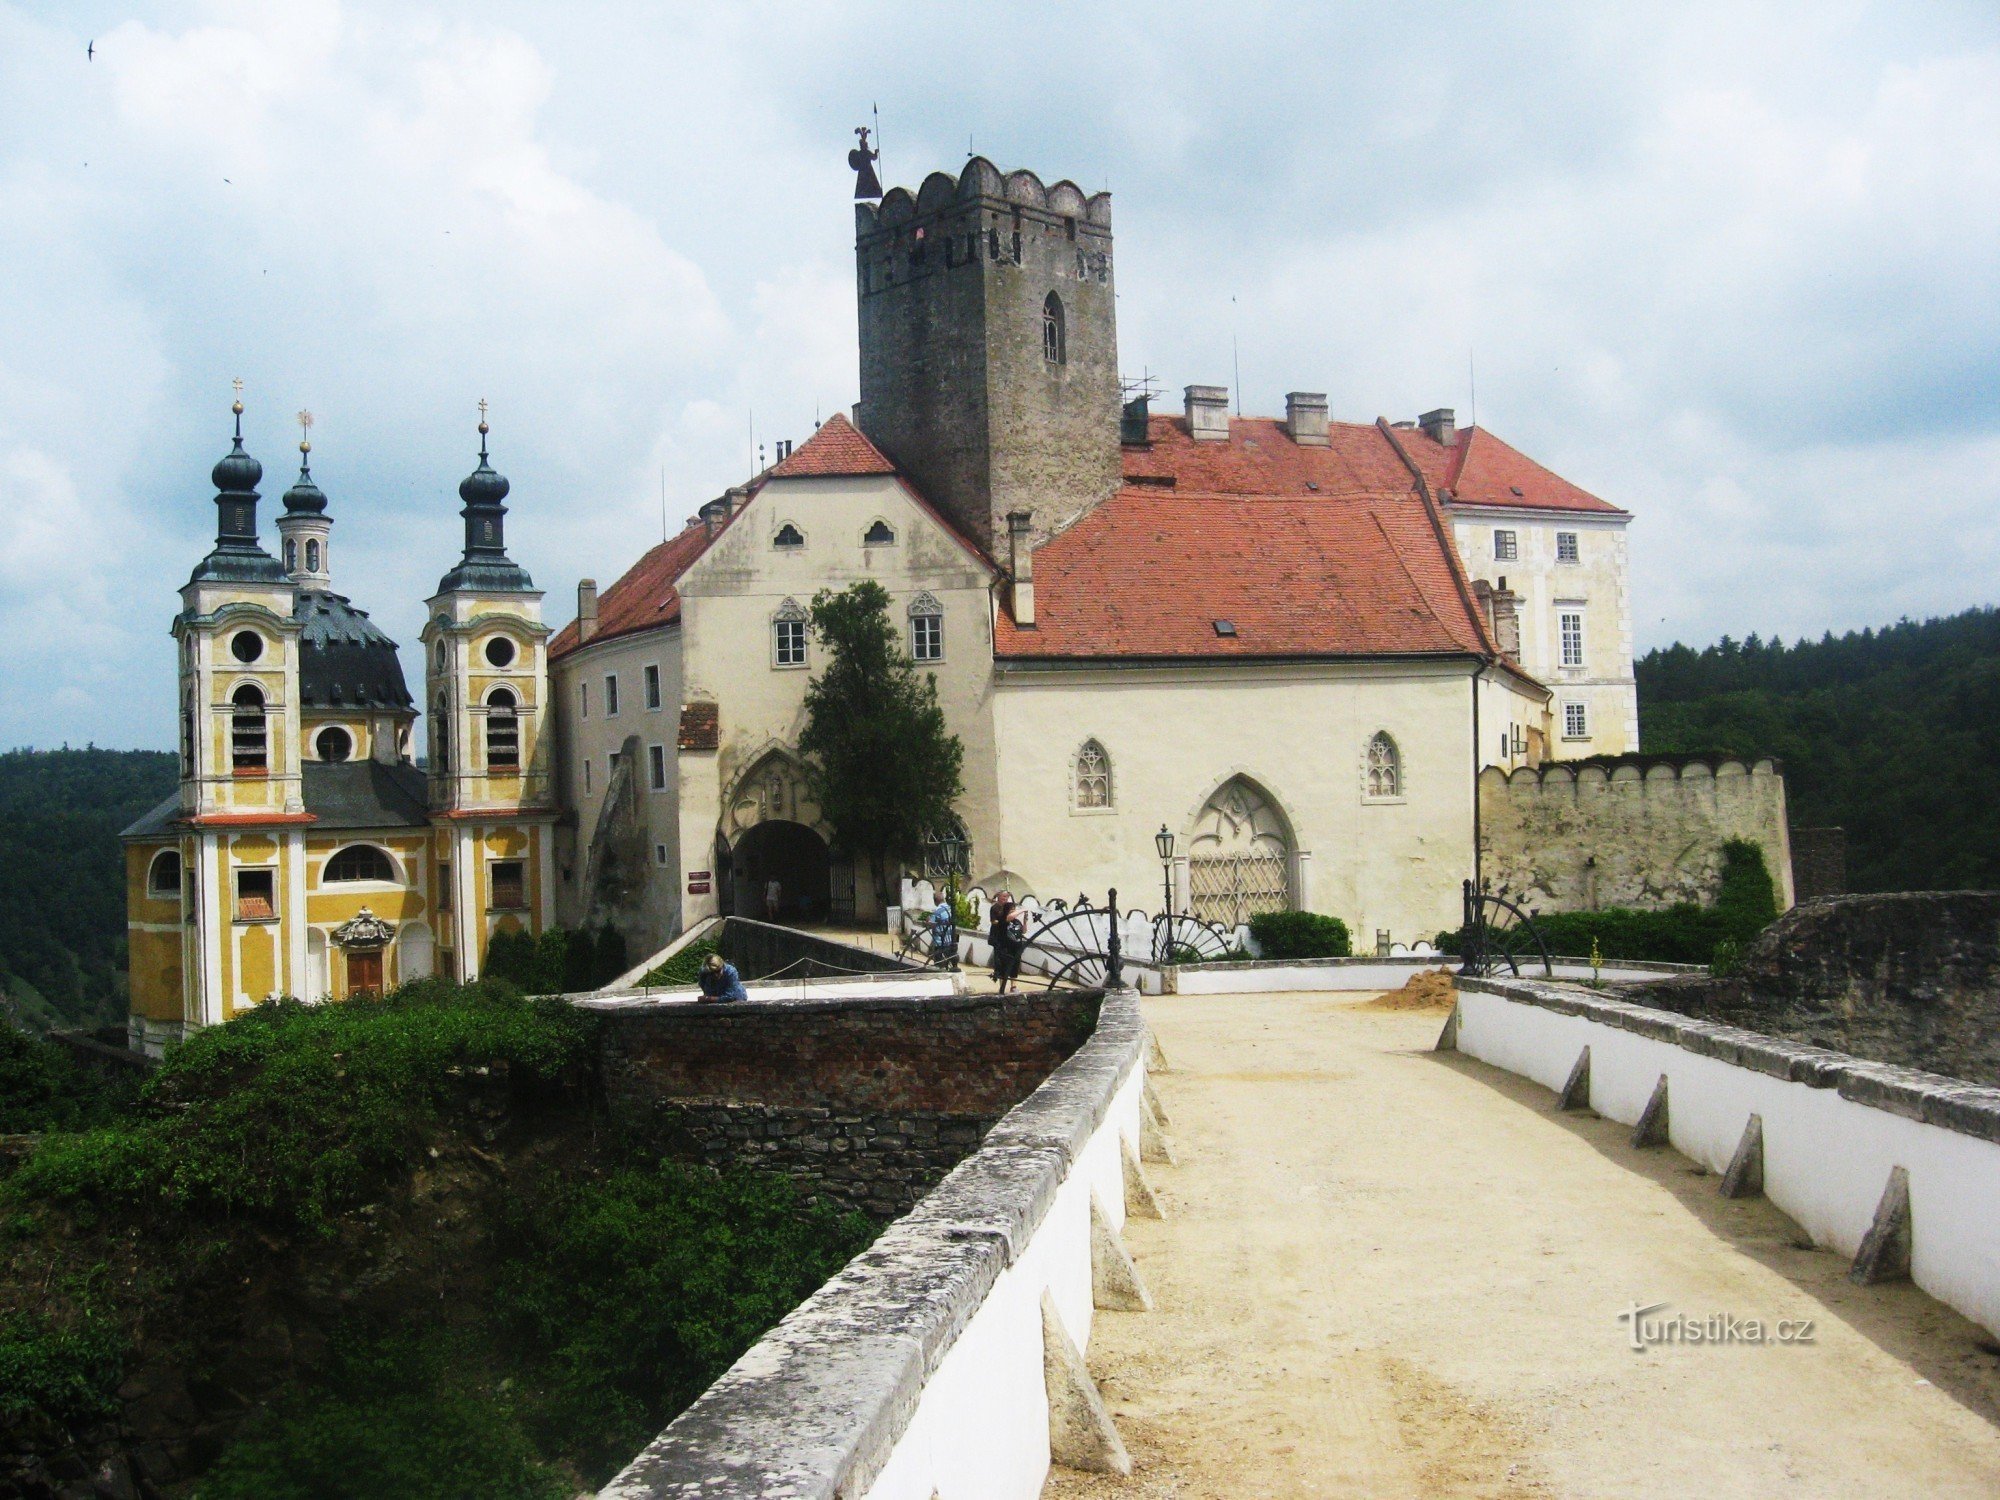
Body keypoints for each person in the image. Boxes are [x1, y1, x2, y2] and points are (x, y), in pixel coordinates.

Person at [989, 890, 1025, 992]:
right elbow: (993, 921)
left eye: (1006, 897)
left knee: (1014, 964)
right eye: (1003, 897)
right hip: (999, 938)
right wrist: (1002, 922)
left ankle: (1013, 986)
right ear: (999, 897)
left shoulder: (1009, 909)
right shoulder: (995, 908)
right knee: (1001, 964)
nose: (1005, 899)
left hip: (1012, 942)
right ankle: (1002, 986)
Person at [930, 890, 957, 968]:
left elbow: (932, 924)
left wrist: (928, 921)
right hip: (950, 940)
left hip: (940, 941)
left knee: (938, 962)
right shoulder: (950, 909)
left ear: (935, 901)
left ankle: (938, 967)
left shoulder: (937, 911)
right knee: (949, 958)